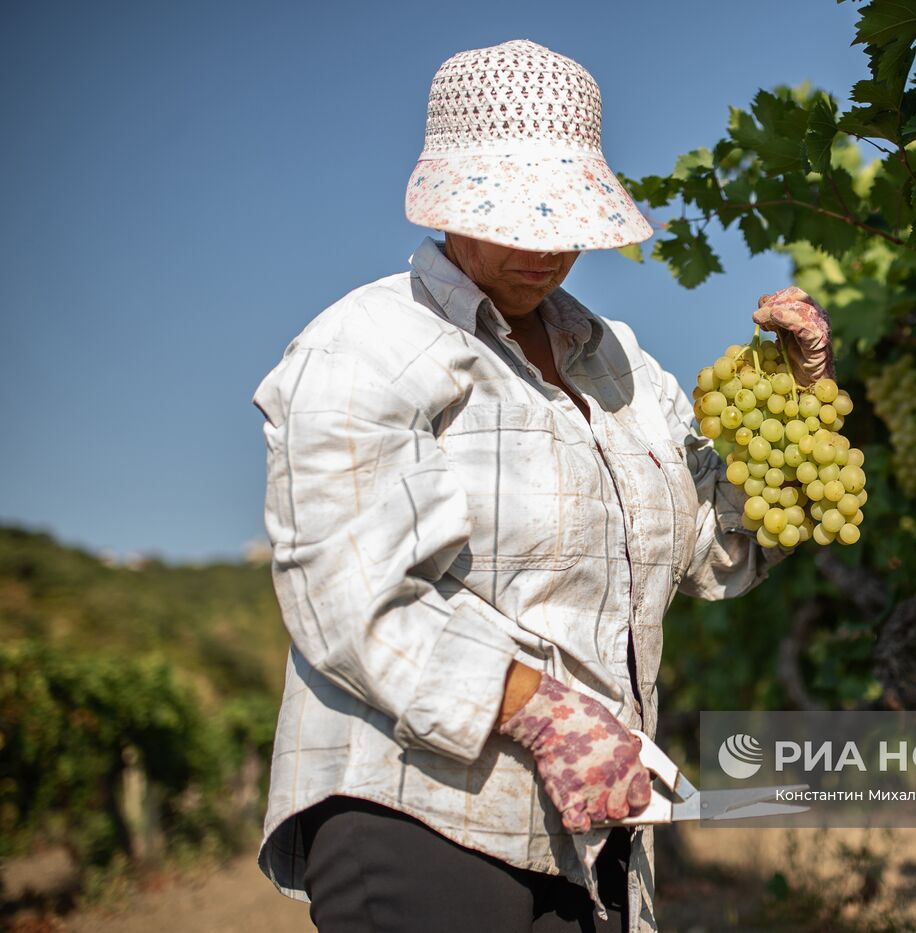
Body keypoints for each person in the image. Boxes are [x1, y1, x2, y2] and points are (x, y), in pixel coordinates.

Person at [250, 39, 832, 933]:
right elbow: (351, 599)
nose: (549, 246)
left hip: (583, 834)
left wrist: (801, 400)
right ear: (450, 201)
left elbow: (718, 551)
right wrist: (544, 713)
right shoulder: (365, 345)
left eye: (565, 216)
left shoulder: (620, 365)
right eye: (519, 214)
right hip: (422, 808)